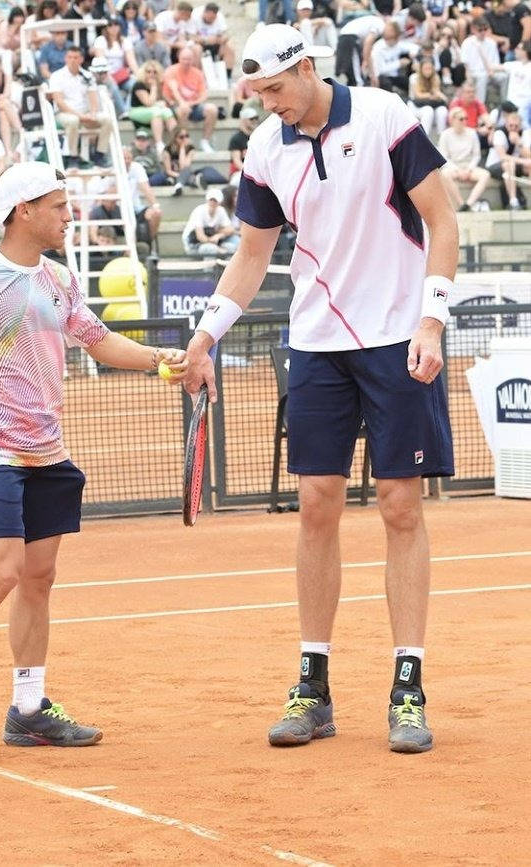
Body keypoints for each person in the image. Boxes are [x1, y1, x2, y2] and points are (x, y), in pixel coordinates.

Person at [183, 25, 458, 754]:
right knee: (315, 503)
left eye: (274, 89)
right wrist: (206, 333)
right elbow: (251, 255)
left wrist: (431, 321)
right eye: (256, 94)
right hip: (316, 344)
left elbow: (442, 219)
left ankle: (407, 684)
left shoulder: (383, 117)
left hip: (399, 335)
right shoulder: (266, 149)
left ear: (305, 69)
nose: (267, 104)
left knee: (400, 505)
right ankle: (313, 683)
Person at [0, 160, 187, 758]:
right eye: (59, 207)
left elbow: (99, 342)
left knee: (38, 579)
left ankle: (29, 707)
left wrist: (163, 359)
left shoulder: (60, 280)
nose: (70, 215)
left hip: (48, 451)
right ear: (23, 211)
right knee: (4, 571)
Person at [47, 45, 112, 168]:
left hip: (85, 113)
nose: (72, 60)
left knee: (107, 120)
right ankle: (73, 156)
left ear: (81, 59)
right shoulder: (57, 76)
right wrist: (80, 116)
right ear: (65, 58)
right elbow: (59, 102)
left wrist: (92, 113)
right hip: (64, 114)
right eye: (70, 57)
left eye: (76, 57)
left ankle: (100, 154)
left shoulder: (87, 75)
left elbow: (93, 98)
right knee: (73, 120)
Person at [162, 46, 218, 153]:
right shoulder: (171, 71)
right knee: (183, 109)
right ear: (179, 58)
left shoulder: (198, 73)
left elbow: (203, 95)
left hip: (193, 105)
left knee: (212, 109)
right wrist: (182, 103)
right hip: (175, 105)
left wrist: (191, 103)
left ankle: (205, 141)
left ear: (193, 60)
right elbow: (169, 92)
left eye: (189, 59)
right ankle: (184, 141)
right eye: (184, 59)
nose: (186, 62)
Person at [438, 106, 491, 211]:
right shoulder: (445, 135)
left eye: (466, 118)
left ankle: (469, 203)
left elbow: (477, 155)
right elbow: (444, 157)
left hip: (469, 166)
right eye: (461, 119)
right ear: (452, 120)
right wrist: (457, 170)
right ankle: (461, 203)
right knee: (444, 174)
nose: (464, 121)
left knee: (485, 175)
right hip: (453, 167)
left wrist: (469, 169)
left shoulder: (472, 133)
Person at [128, 59, 176, 153]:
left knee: (168, 112)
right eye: (148, 71)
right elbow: (148, 103)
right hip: (136, 111)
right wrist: (154, 87)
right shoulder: (139, 85)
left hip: (152, 110)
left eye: (155, 72)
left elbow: (165, 102)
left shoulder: (159, 85)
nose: (152, 74)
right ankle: (159, 143)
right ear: (144, 72)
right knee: (156, 112)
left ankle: (175, 141)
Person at [182, 186, 234, 257]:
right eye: (211, 200)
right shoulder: (199, 211)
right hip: (193, 244)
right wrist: (218, 248)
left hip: (212, 241)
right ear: (207, 200)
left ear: (219, 202)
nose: (212, 202)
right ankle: (210, 268)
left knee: (231, 247)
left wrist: (218, 235)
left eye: (215, 200)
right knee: (210, 249)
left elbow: (230, 229)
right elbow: (200, 237)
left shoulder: (221, 210)